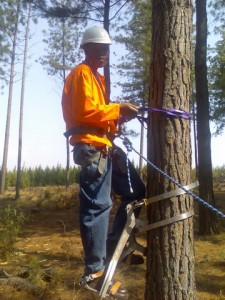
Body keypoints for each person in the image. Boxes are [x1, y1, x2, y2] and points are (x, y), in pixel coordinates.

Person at [62, 26, 145, 299]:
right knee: (97, 206)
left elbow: (98, 114)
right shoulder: (81, 74)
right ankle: (94, 273)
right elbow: (85, 111)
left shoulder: (96, 78)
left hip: (105, 146)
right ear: (85, 49)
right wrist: (117, 109)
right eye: (98, 47)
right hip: (91, 148)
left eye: (106, 48)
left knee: (136, 192)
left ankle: (117, 248)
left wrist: (118, 117)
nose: (104, 52)